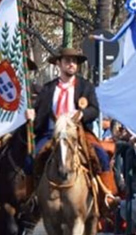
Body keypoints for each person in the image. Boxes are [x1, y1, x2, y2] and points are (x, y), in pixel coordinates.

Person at [28, 46, 118, 208]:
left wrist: (82, 114)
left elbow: (94, 109)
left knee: (101, 155)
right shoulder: (48, 89)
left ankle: (107, 194)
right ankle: (31, 198)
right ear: (59, 64)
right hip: (51, 133)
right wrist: (31, 115)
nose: (71, 64)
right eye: (67, 61)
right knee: (33, 157)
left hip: (78, 132)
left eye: (74, 62)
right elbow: (38, 111)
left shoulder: (86, 87)